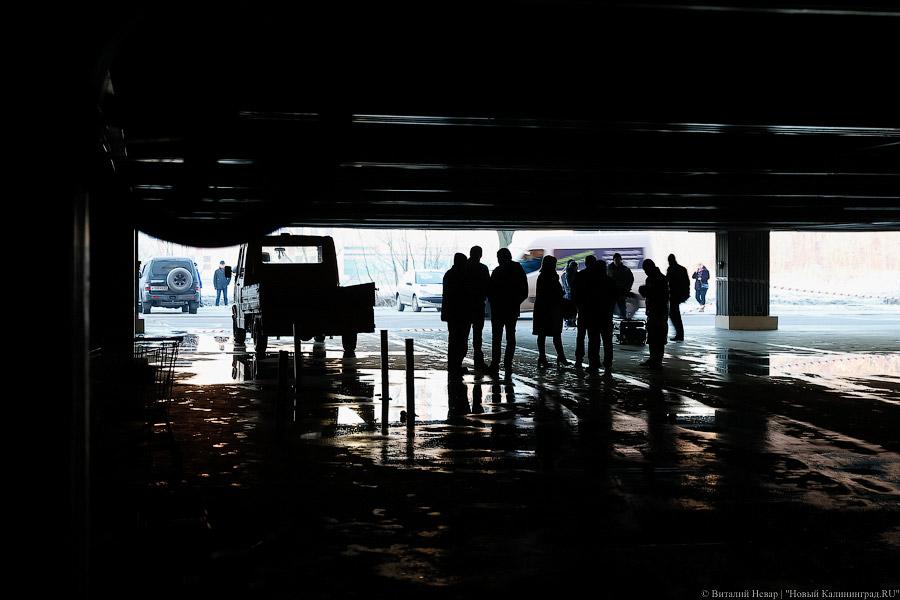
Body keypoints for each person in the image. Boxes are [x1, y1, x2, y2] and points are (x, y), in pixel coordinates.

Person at [487, 248, 528, 380]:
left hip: (498, 310)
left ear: (500, 258)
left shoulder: (498, 271)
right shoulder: (518, 269)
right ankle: (507, 363)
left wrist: (493, 304)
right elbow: (524, 290)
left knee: (496, 338)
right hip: (511, 309)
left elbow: (490, 291)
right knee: (511, 337)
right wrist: (515, 302)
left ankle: (495, 364)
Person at [533, 255, 569, 368]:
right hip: (552, 309)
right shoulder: (552, 277)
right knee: (556, 334)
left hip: (542, 309)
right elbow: (557, 293)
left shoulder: (542, 276)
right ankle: (560, 356)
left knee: (542, 334)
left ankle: (542, 357)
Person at [463, 246, 491, 372]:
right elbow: (488, 287)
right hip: (479, 305)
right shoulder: (483, 269)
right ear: (480, 255)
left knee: (463, 335)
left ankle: (459, 360)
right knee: (477, 336)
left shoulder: (464, 268)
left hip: (466, 306)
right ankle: (478, 362)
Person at [442, 253, 470, 378]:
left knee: (453, 340)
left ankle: (453, 366)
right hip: (463, 313)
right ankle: (456, 365)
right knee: (462, 341)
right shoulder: (464, 276)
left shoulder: (449, 274)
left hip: (452, 314)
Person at [638, 259, 669, 370]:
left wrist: (646, 291)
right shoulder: (652, 278)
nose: (645, 272)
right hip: (653, 311)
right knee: (652, 336)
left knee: (659, 337)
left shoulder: (660, 279)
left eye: (646, 270)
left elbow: (660, 296)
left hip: (659, 311)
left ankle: (657, 361)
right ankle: (653, 359)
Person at [666, 253, 690, 342]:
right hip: (680, 294)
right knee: (675, 314)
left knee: (674, 314)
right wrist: (686, 294)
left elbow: (667, 281)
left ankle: (679, 334)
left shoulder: (671, 269)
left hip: (673, 294)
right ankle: (680, 334)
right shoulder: (682, 269)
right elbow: (687, 282)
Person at [608, 252, 634, 319]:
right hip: (612, 292)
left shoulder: (610, 269)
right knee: (611, 308)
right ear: (613, 260)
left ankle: (623, 320)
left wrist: (627, 289)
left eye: (618, 260)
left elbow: (631, 279)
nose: (617, 261)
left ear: (620, 260)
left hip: (620, 292)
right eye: (616, 260)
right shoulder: (609, 269)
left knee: (621, 308)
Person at [561, 259, 579, 328]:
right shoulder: (575, 274)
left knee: (569, 309)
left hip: (567, 295)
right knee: (573, 309)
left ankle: (568, 321)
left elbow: (564, 286)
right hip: (573, 294)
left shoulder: (564, 275)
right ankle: (571, 321)